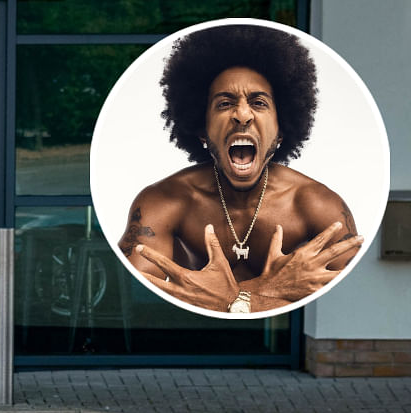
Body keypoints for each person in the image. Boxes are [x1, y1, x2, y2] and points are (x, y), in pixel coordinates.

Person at [118, 24, 361, 314]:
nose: (242, 115)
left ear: (281, 132)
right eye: (224, 104)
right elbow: (140, 294)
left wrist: (229, 298)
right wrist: (265, 292)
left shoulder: (318, 205)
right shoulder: (163, 201)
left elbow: (353, 300)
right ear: (203, 131)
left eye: (258, 103)